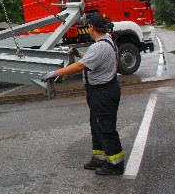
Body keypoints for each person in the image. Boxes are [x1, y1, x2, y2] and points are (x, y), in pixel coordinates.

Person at [42, 15, 125, 175]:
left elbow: (81, 66)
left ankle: (116, 164)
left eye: (88, 26)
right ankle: (99, 158)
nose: (87, 28)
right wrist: (79, 53)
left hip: (103, 93)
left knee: (105, 127)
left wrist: (55, 73)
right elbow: (91, 60)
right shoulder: (107, 41)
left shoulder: (99, 47)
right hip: (102, 91)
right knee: (97, 126)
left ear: (91, 28)